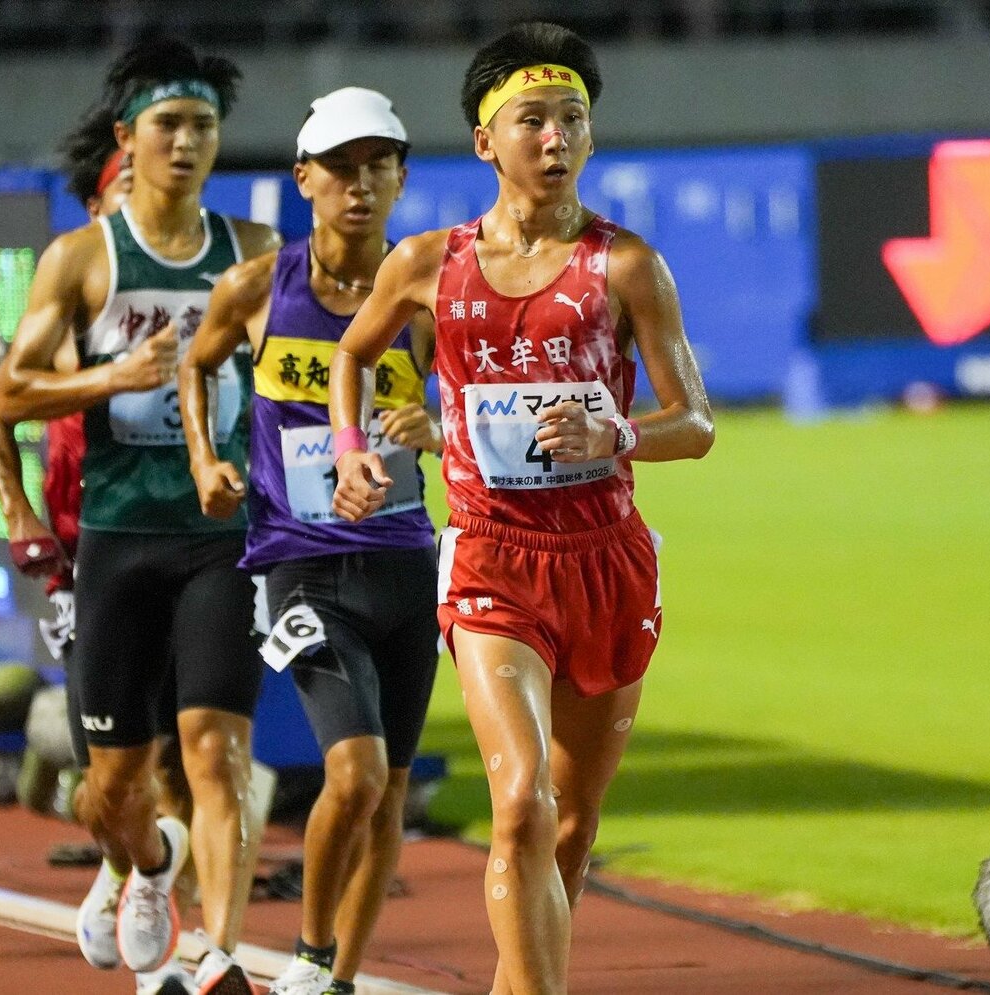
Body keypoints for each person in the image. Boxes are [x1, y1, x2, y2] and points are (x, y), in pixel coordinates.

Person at [327, 23, 714, 995]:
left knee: (572, 823)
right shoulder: (426, 262)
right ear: (484, 141)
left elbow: (696, 422)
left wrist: (615, 432)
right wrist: (351, 450)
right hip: (494, 562)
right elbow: (351, 353)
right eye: (531, 120)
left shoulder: (626, 266)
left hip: (606, 561)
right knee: (519, 804)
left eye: (572, 120)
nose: (554, 139)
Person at [0, 38, 278, 993]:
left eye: (203, 127)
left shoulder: (254, 253)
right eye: (167, 125)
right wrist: (114, 374)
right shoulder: (82, 258)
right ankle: (146, 863)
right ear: (128, 137)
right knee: (111, 785)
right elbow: (6, 396)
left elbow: (306, 374)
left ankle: (220, 949)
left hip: (221, 537)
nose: (186, 143)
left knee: (218, 753)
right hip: (115, 538)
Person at [180, 87, 440, 995]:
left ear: (402, 179)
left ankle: (338, 980)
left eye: (378, 166)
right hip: (299, 563)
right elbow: (197, 361)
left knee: (391, 791)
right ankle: (311, 953)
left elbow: (470, 413)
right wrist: (207, 458)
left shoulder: (429, 296)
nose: (358, 185)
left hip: (407, 561)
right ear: (304, 180)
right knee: (357, 770)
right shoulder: (260, 286)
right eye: (339, 168)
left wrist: (435, 427)